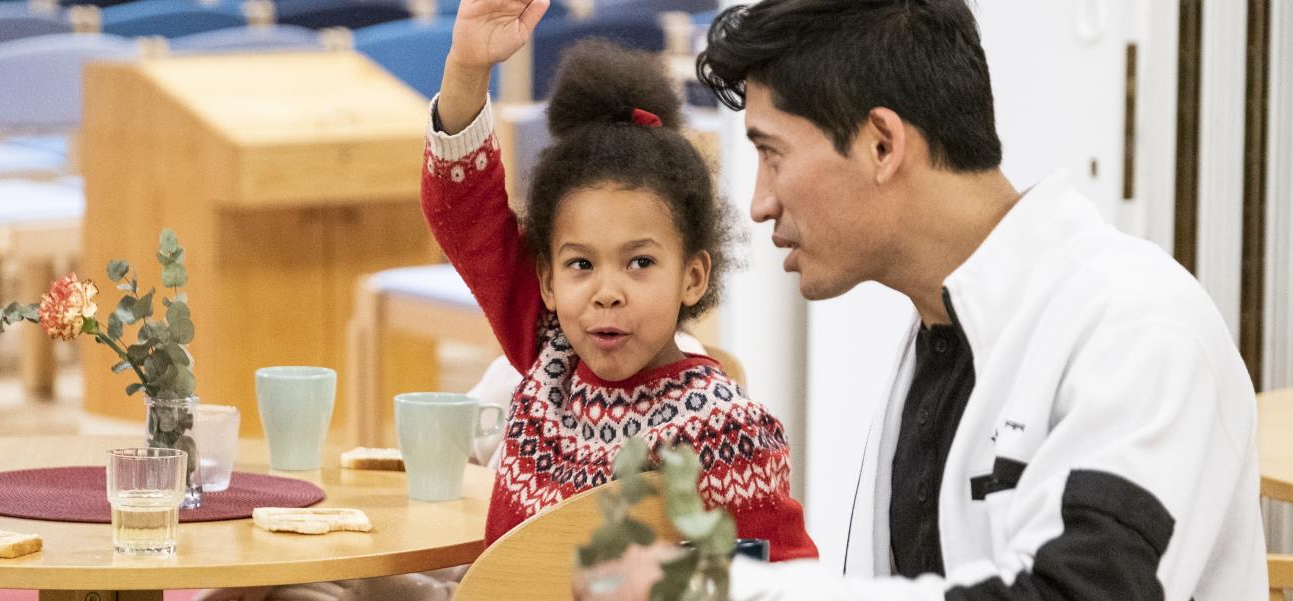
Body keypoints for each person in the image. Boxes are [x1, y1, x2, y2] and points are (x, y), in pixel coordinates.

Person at [578, 0, 1267, 599]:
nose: (759, 204)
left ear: (882, 143)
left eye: (773, 153)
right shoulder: (939, 333)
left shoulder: (1141, 327)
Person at [199, 1, 817, 598]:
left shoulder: (729, 428)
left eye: (640, 262)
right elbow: (465, 211)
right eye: (580, 264)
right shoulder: (549, 347)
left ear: (693, 276)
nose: (606, 293)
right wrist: (467, 66)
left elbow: (783, 578)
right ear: (547, 281)